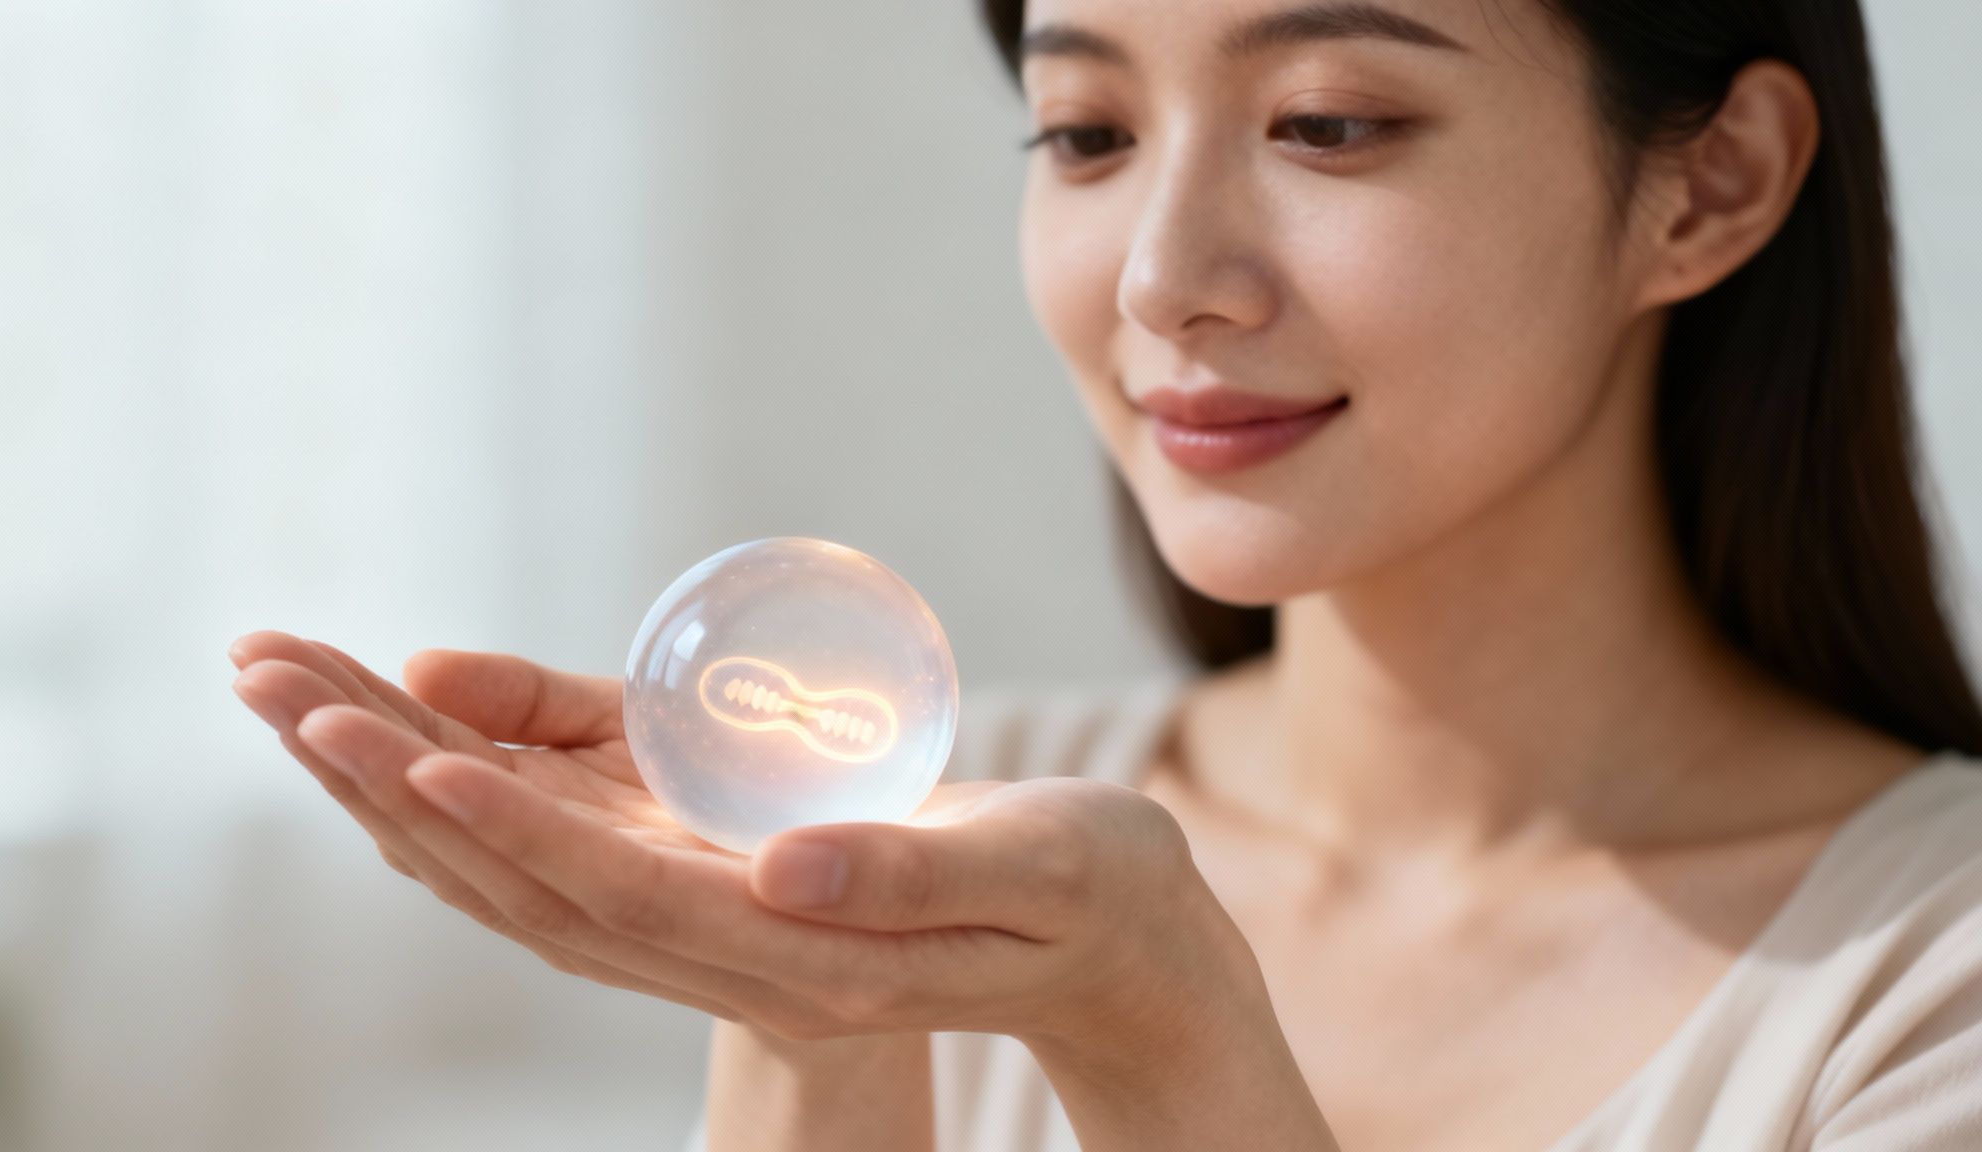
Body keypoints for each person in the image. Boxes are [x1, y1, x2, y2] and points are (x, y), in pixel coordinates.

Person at [228, 0, 1982, 1148]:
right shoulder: (925, 821)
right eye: (1085, 134)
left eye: (1330, 124)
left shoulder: (1927, 980)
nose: (1160, 277)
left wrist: (1153, 1029)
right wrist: (812, 1014)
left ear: (1714, 185)